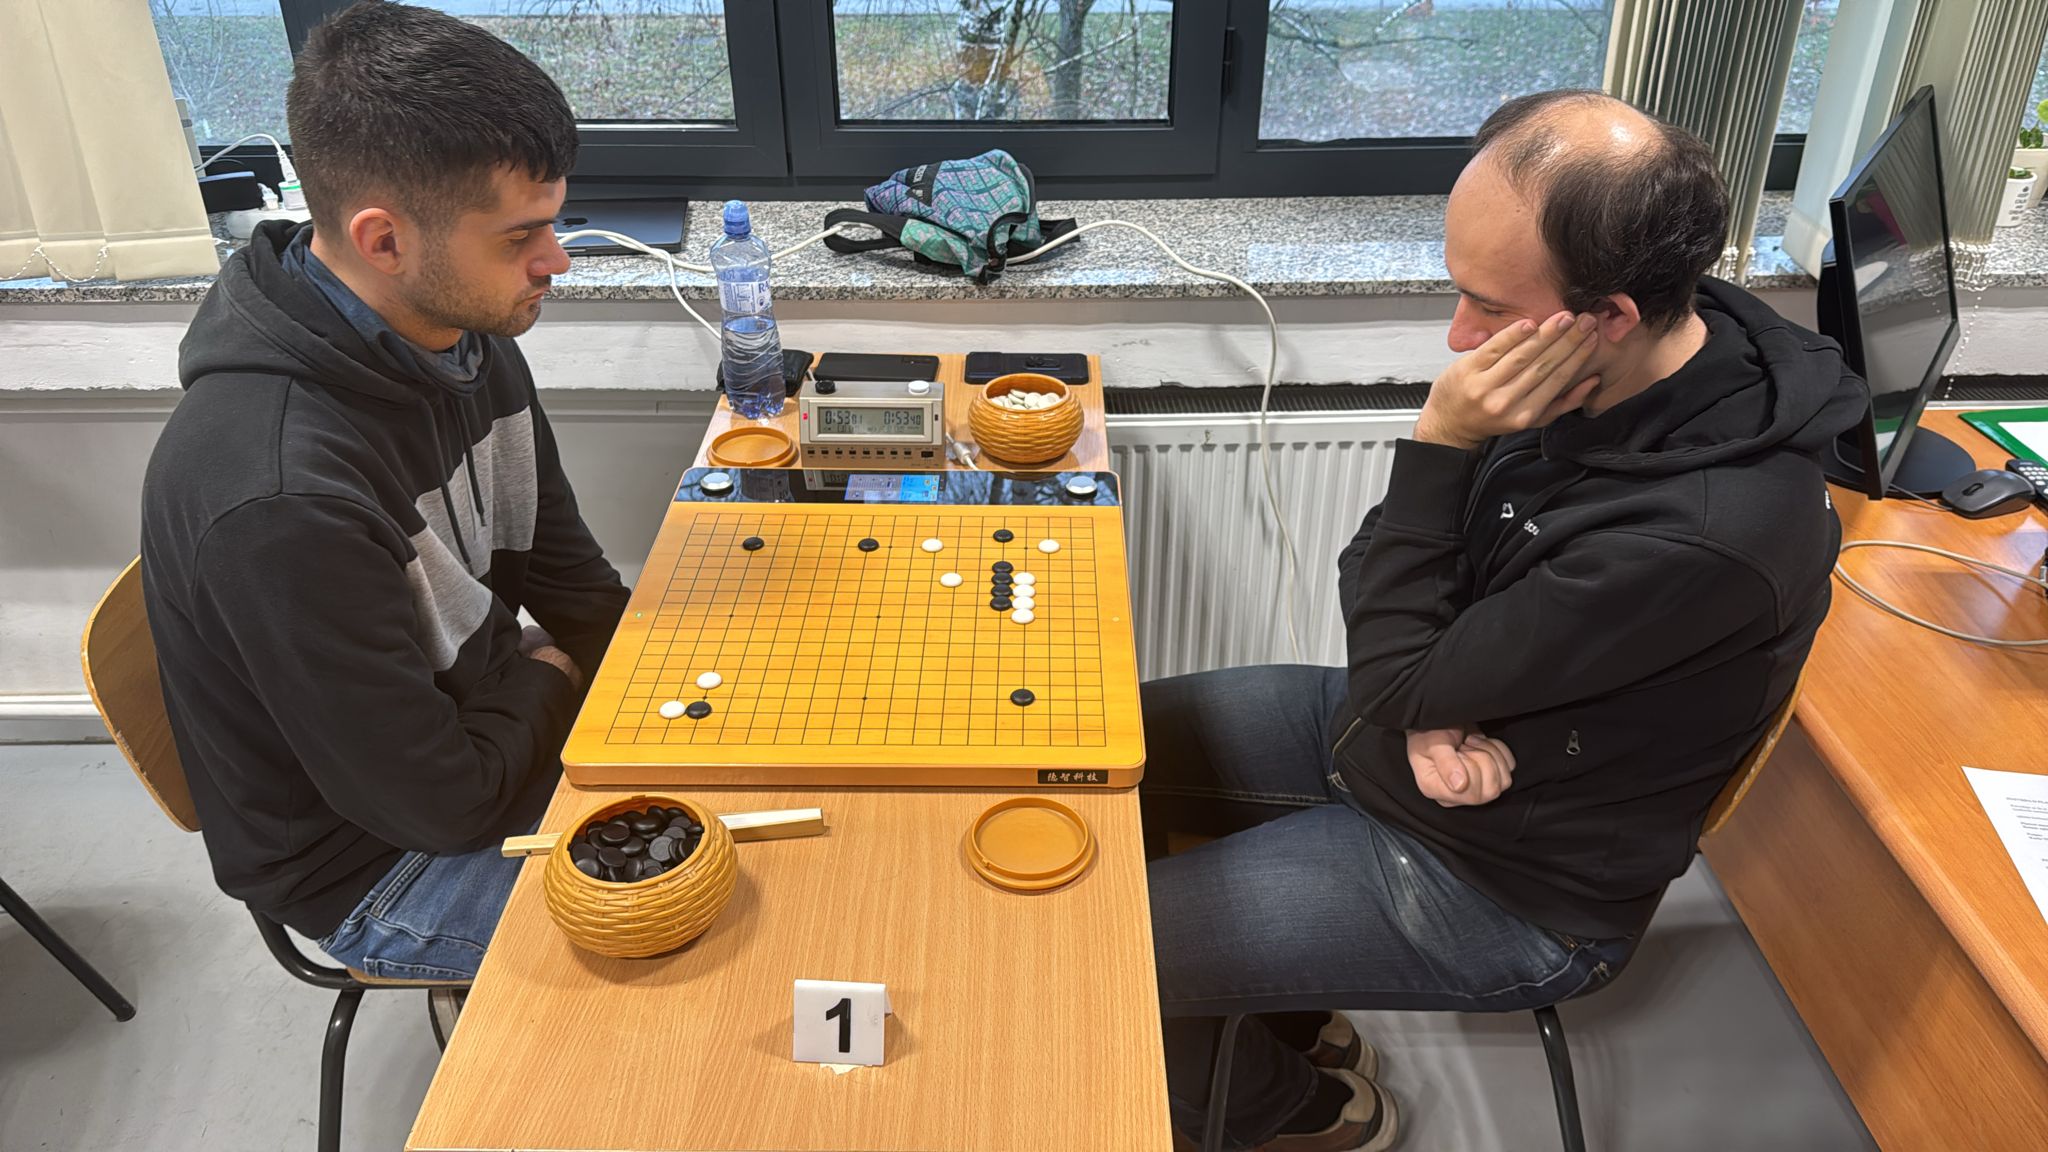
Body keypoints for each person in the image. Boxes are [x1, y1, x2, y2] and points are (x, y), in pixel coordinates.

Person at [1141, 89, 1865, 1151]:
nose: (1458, 337)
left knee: (1098, 951)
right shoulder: (1619, 361)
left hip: (1496, 881)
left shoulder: (1702, 535)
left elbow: (1399, 635)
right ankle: (1290, 1017)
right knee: (1095, 750)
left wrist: (1443, 442)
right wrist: (1428, 703)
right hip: (1411, 739)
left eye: (1487, 305)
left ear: (1612, 314)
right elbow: (1373, 559)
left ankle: (1305, 1113)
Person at [140, 1, 626, 983]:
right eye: (521, 236)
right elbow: (440, 806)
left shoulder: (460, 340)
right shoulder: (280, 499)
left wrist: (672, 688)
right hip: (385, 869)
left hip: (485, 735)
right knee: (746, 933)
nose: (556, 260)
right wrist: (554, 677)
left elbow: (572, 586)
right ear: (384, 240)